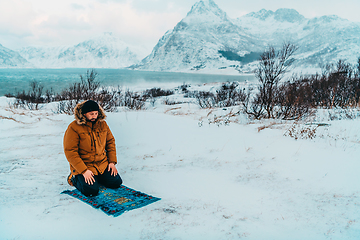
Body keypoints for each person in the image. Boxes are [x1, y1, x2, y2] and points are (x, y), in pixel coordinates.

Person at [63, 100, 122, 197]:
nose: (94, 116)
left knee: (116, 183)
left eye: (96, 113)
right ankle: (74, 178)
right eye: (91, 114)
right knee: (91, 191)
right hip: (85, 166)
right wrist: (84, 171)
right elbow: (70, 152)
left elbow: (110, 142)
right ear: (84, 114)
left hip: (102, 164)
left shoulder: (103, 124)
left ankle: (98, 177)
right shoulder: (74, 127)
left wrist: (112, 162)